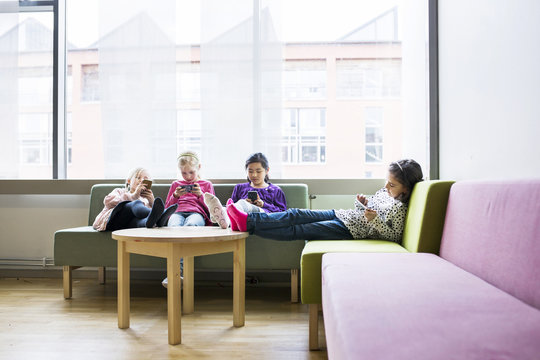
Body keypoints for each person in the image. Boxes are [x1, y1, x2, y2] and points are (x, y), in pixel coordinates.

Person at [225, 159, 424, 243]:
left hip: (352, 230)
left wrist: (374, 220)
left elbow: (394, 237)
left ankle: (247, 222)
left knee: (299, 230)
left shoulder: (400, 208)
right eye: (387, 182)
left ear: (406, 188)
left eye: (392, 185)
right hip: (345, 216)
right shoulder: (385, 192)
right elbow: (369, 209)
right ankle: (244, 221)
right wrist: (363, 203)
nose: (386, 187)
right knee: (297, 214)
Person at [203, 152, 287, 229]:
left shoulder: (275, 190)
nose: (254, 175)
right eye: (250, 171)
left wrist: (263, 205)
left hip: (262, 218)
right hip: (242, 218)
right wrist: (243, 202)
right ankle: (222, 215)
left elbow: (283, 213)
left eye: (258, 171)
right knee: (234, 207)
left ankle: (220, 216)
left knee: (239, 206)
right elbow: (233, 207)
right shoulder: (240, 188)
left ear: (267, 170)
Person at [92, 167, 178, 232]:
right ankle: (162, 215)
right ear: (129, 181)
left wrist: (152, 202)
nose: (141, 180)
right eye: (138, 177)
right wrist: (133, 196)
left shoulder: (146, 199)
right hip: (113, 222)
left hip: (128, 226)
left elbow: (150, 214)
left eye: (145, 179)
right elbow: (108, 201)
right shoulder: (120, 191)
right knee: (136, 203)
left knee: (140, 222)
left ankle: (155, 221)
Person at [164, 151, 215, 227]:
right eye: (184, 173)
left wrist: (201, 195)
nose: (188, 176)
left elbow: (212, 209)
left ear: (199, 167)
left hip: (196, 213)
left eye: (191, 172)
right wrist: (175, 196)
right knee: (174, 226)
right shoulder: (176, 184)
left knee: (191, 225)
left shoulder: (207, 184)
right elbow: (167, 208)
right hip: (177, 212)